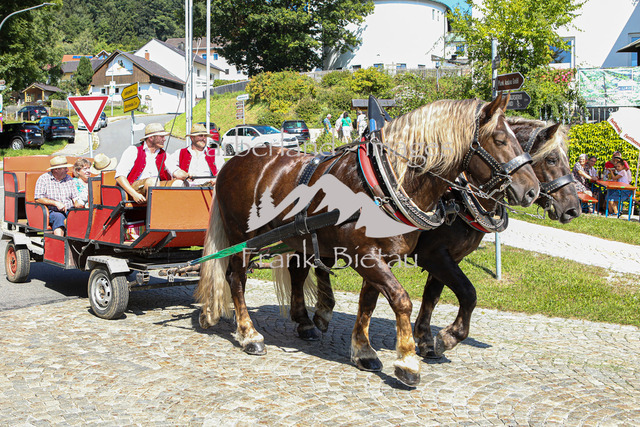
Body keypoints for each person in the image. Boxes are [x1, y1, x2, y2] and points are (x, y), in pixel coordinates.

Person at [115, 123, 172, 203]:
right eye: (161, 136)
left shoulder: (165, 155)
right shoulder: (133, 150)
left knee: (178, 183)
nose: (164, 139)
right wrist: (134, 194)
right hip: (135, 189)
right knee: (153, 181)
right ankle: (151, 210)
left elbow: (174, 173)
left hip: (156, 188)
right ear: (151, 138)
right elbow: (120, 176)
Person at [34, 156, 83, 236]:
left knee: (81, 215)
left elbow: (75, 197)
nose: (67, 170)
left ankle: (78, 241)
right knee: (59, 217)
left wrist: (78, 204)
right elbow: (38, 198)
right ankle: (59, 242)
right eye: (65, 168)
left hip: (69, 210)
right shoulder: (44, 179)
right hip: (52, 211)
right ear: (56, 169)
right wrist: (56, 203)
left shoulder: (69, 179)